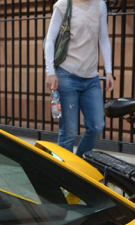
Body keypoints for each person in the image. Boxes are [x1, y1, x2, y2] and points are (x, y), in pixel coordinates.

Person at [43, 0, 114, 156]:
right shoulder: (63, 4)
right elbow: (50, 39)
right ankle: (65, 174)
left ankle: (80, 162)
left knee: (97, 126)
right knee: (68, 132)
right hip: (67, 75)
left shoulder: (100, 5)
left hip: (91, 78)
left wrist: (108, 71)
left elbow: (103, 39)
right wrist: (50, 72)